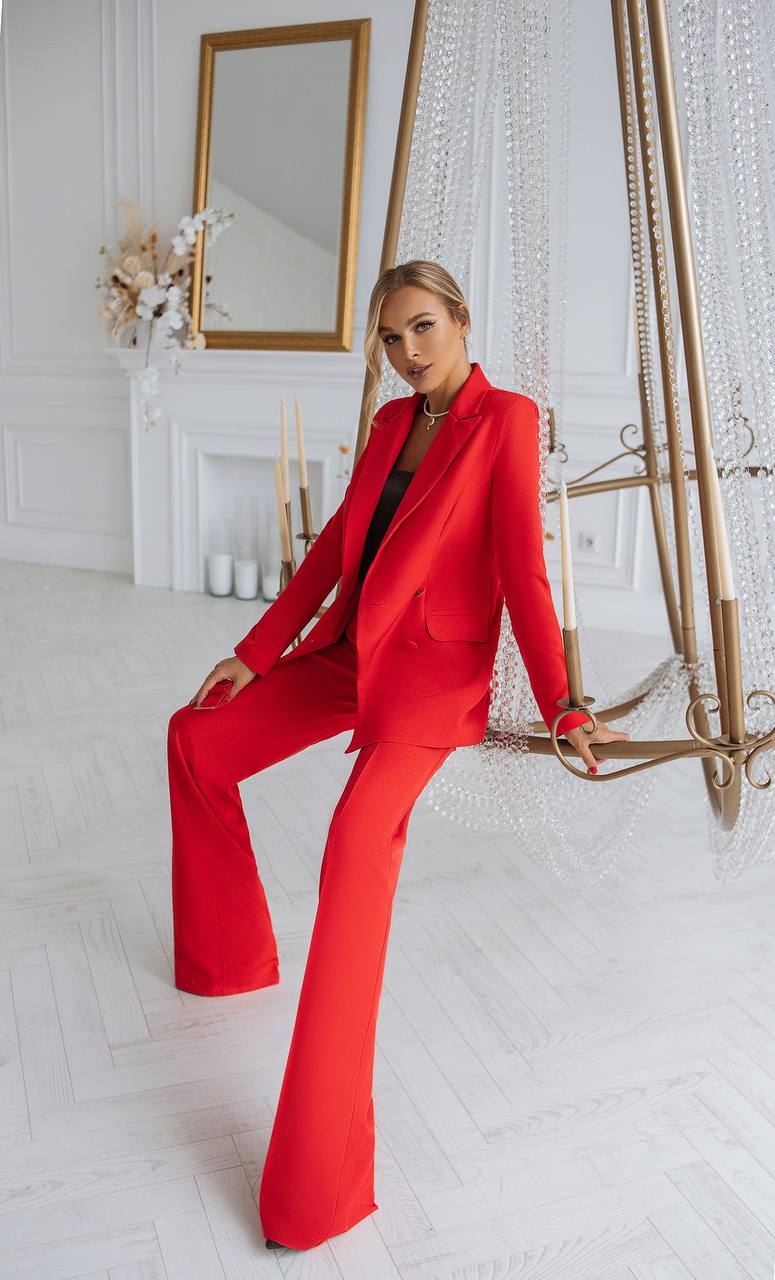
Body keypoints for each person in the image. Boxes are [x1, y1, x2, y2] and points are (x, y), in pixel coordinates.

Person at [166, 259, 629, 1252]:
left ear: (460, 320)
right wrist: (255, 653)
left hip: (428, 677)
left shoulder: (504, 420)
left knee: (349, 852)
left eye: (422, 328)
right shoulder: (389, 423)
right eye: (389, 338)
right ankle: (227, 957)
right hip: (348, 651)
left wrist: (562, 702)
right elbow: (338, 544)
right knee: (195, 737)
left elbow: (521, 565)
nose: (407, 352)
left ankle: (319, 1183)